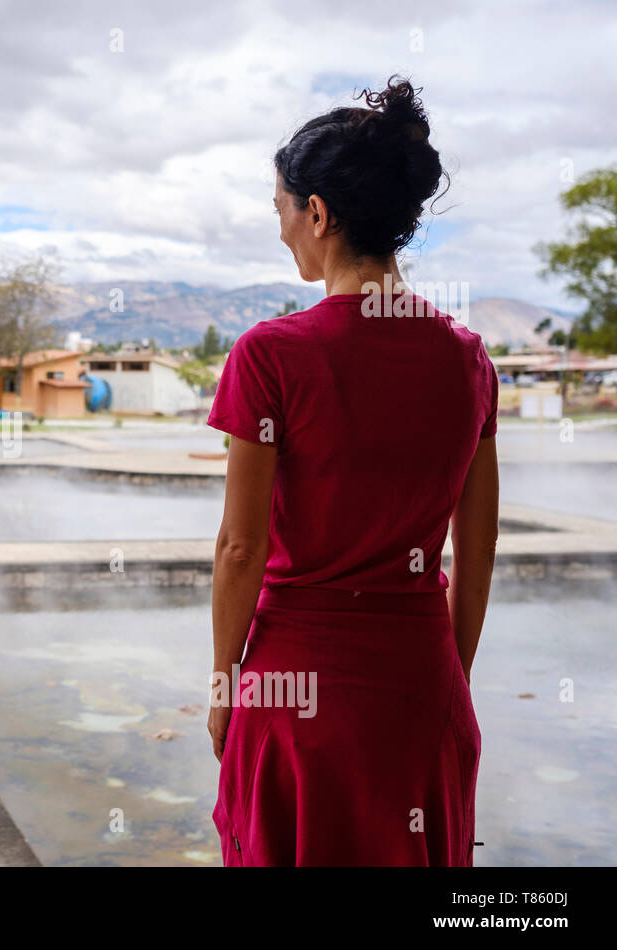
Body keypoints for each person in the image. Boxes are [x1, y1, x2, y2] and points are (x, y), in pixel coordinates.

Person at [207, 76, 498, 866]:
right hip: (421, 686)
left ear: (319, 215)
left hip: (296, 691)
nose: (281, 235)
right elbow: (476, 555)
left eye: (281, 213)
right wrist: (448, 680)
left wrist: (225, 683)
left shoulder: (271, 354)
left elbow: (241, 548)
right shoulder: (468, 360)